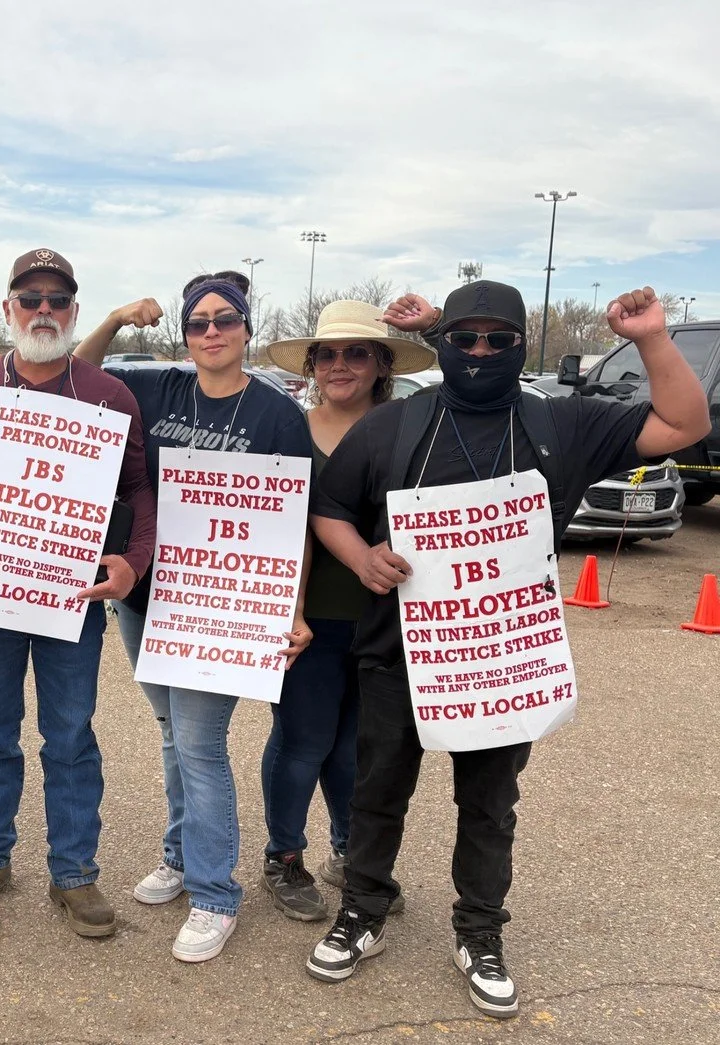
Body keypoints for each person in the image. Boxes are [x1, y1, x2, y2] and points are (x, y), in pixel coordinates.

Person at [304, 281, 709, 1017]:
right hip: (399, 653)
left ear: (523, 346)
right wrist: (363, 558)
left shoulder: (563, 422)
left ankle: (481, 931)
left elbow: (682, 421)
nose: (481, 352)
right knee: (377, 793)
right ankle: (362, 911)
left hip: (503, 659)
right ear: (443, 344)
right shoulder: (397, 425)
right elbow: (329, 507)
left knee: (489, 805)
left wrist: (651, 335)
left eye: (500, 339)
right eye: (465, 338)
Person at [71, 271, 311, 961]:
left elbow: (290, 523)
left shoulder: (276, 415)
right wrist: (116, 317)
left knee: (201, 743)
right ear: (184, 332)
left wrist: (291, 607)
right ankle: (179, 855)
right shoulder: (157, 388)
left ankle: (214, 892)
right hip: (147, 600)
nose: (211, 331)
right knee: (171, 729)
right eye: (198, 321)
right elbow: (74, 379)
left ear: (246, 328)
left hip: (220, 607)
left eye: (224, 319)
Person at [0, 249, 156, 940]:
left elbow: (138, 490)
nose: (42, 310)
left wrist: (132, 561)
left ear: (74, 312)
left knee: (69, 734)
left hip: (74, 595)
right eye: (29, 297)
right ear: (7, 308)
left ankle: (75, 871)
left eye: (57, 300)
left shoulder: (108, 395)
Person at [258, 301, 433, 922]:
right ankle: (283, 855)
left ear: (382, 363)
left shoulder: (410, 427)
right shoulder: (289, 430)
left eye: (357, 352)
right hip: (306, 615)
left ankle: (348, 851)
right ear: (310, 366)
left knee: (360, 748)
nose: (340, 365)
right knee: (303, 739)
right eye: (327, 354)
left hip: (389, 616)